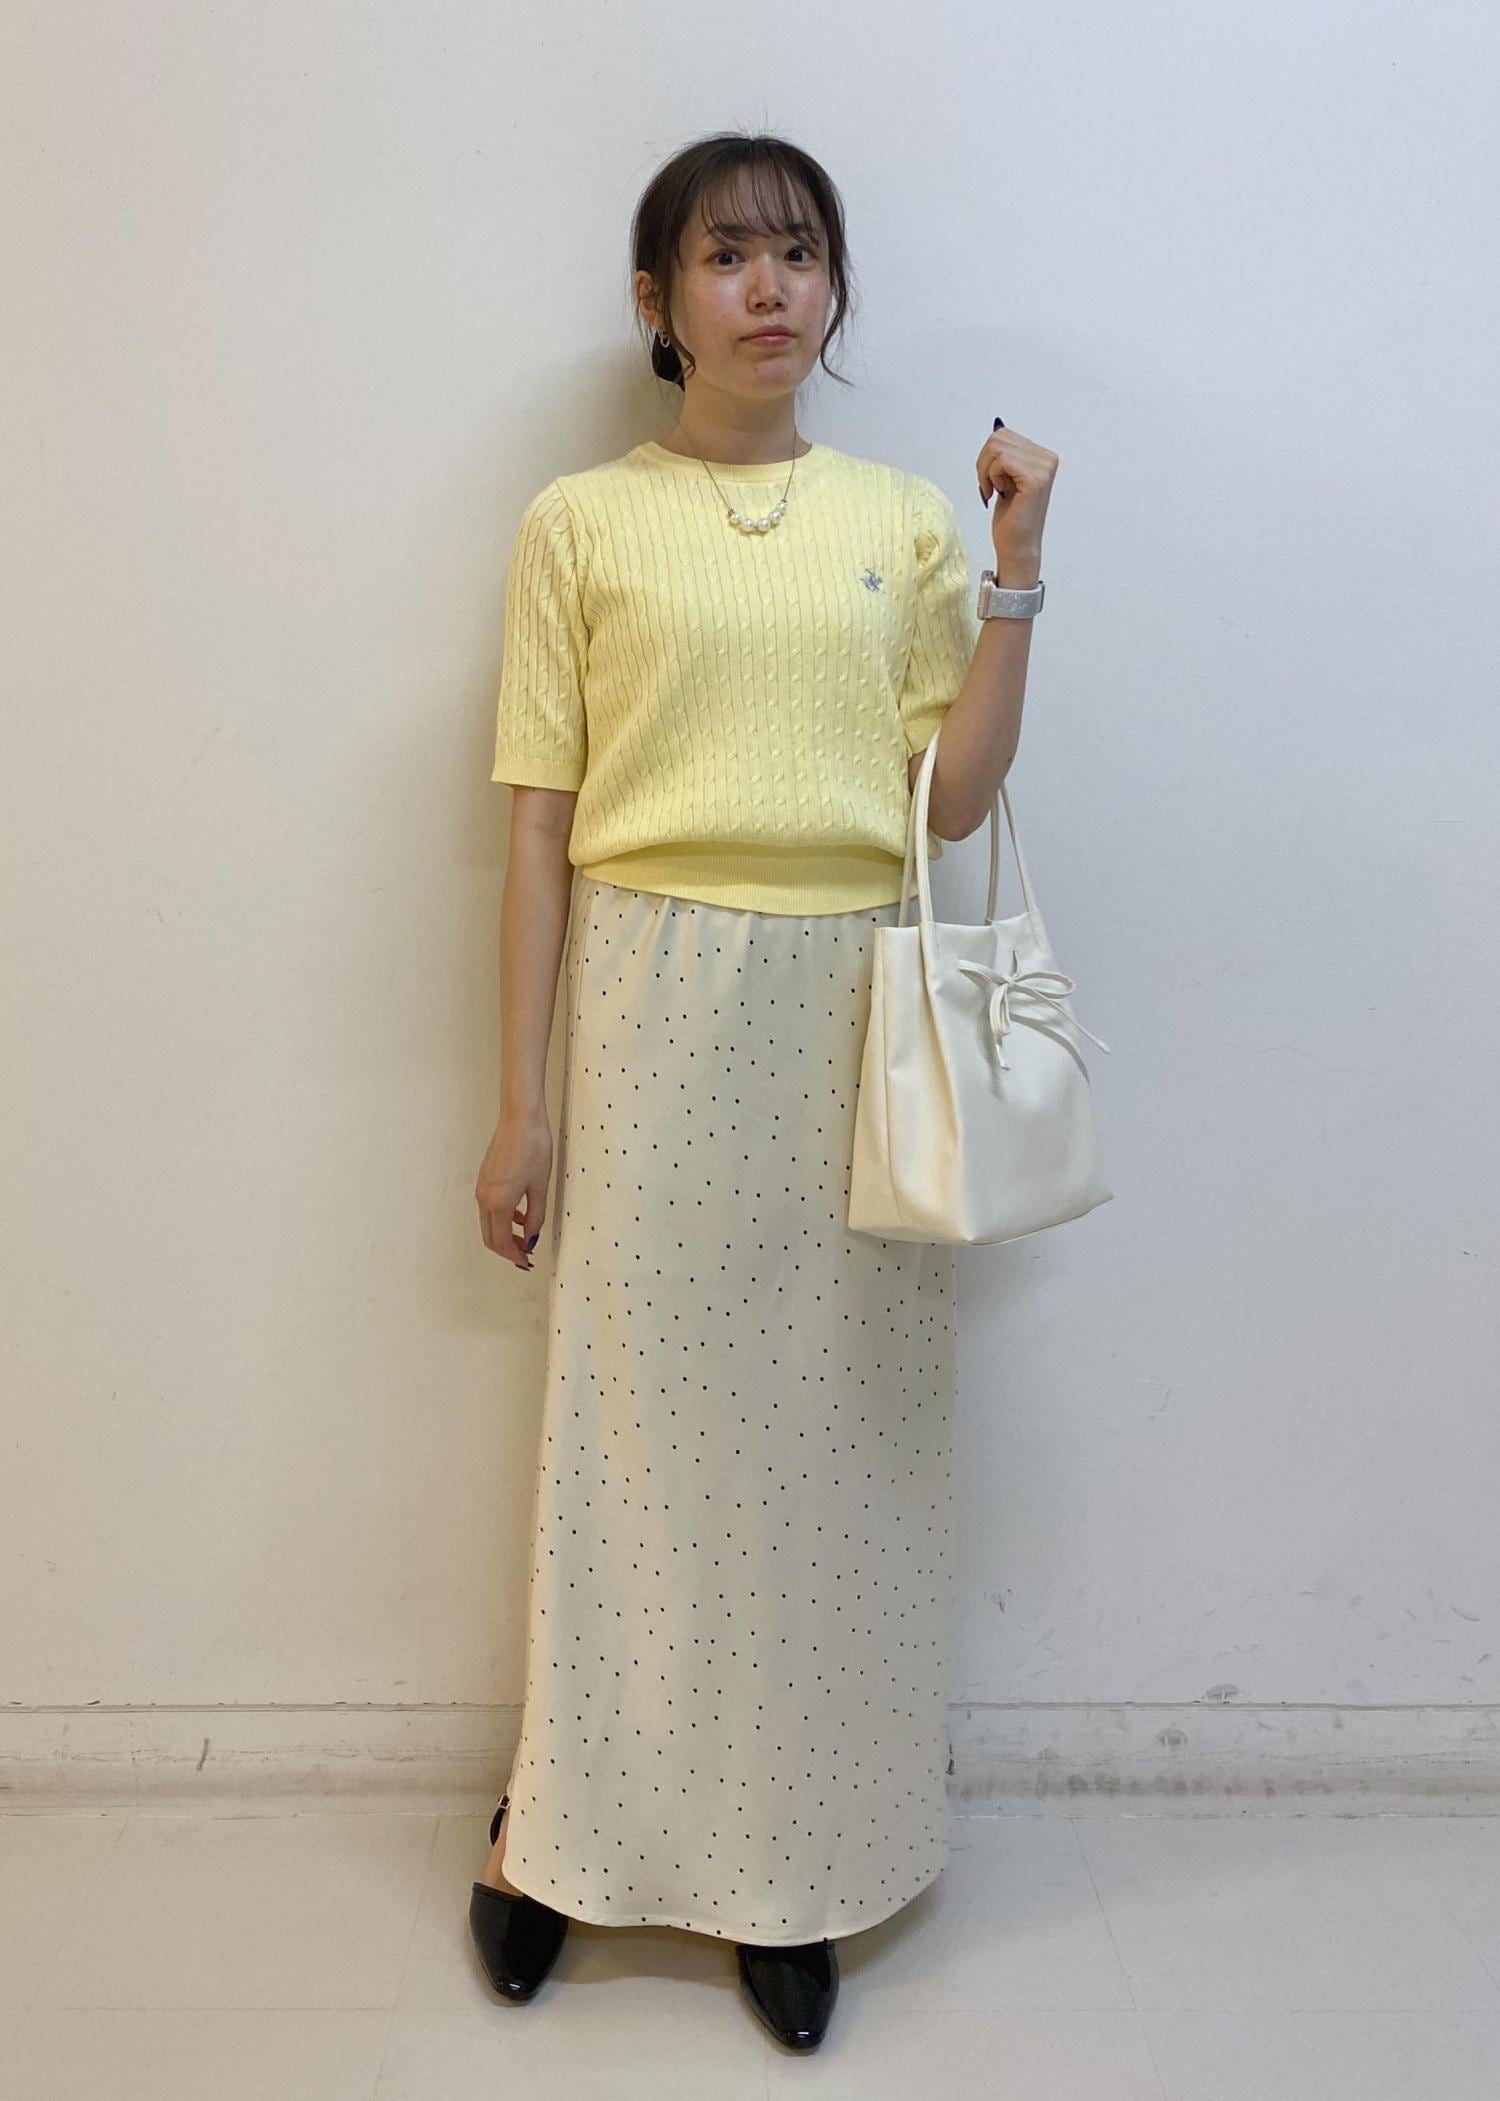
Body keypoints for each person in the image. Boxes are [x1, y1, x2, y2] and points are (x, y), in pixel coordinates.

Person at [468, 129, 1057, 2052]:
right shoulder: (578, 525)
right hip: (650, 997)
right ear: (658, 301)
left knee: (831, 1450)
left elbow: (947, 805)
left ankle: (790, 1859)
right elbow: (538, 830)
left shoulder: (898, 519)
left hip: (850, 1003)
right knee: (630, 1440)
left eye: (800, 254)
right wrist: (523, 1103)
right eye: (727, 256)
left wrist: (1014, 579)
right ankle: (560, 1837)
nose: (770, 288)